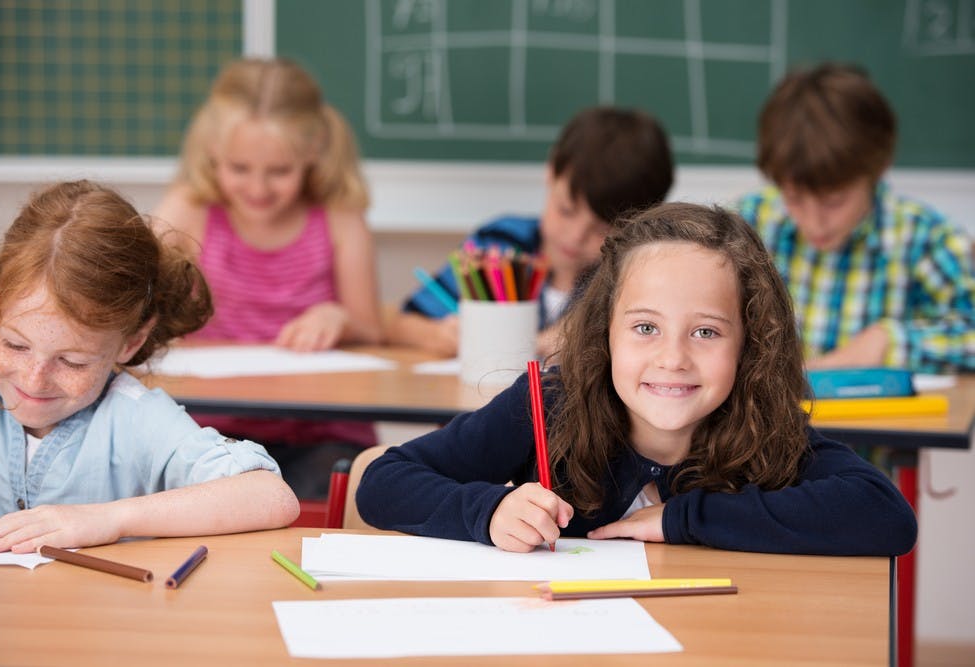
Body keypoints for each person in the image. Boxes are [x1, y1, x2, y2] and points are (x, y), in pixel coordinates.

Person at [356, 202, 917, 557]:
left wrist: (683, 519)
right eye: (646, 327)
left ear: (749, 345)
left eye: (706, 333)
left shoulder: (763, 427)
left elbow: (884, 516)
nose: (672, 359)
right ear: (605, 334)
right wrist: (489, 512)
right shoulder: (549, 404)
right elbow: (385, 482)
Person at [0, 180, 299, 554]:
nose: (34, 378)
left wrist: (107, 519)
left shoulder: (135, 417)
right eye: (15, 345)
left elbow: (271, 497)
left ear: (130, 342)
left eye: (72, 361)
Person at [153, 57, 384, 499]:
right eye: (239, 169)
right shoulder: (189, 210)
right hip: (211, 429)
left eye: (279, 172)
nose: (258, 189)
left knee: (336, 492)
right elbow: (129, 297)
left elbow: (370, 326)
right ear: (211, 154)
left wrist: (339, 317)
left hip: (320, 431)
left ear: (313, 151)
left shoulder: (338, 216)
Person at [736, 62, 974, 373]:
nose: (813, 223)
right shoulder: (749, 223)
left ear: (877, 168)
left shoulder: (927, 240)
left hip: (879, 421)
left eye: (834, 202)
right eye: (794, 198)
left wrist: (889, 342)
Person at [387, 106, 674, 359]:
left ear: (643, 220)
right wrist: (437, 335)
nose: (575, 236)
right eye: (566, 210)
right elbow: (399, 325)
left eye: (602, 229)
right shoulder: (498, 246)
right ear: (551, 172)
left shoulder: (636, 276)